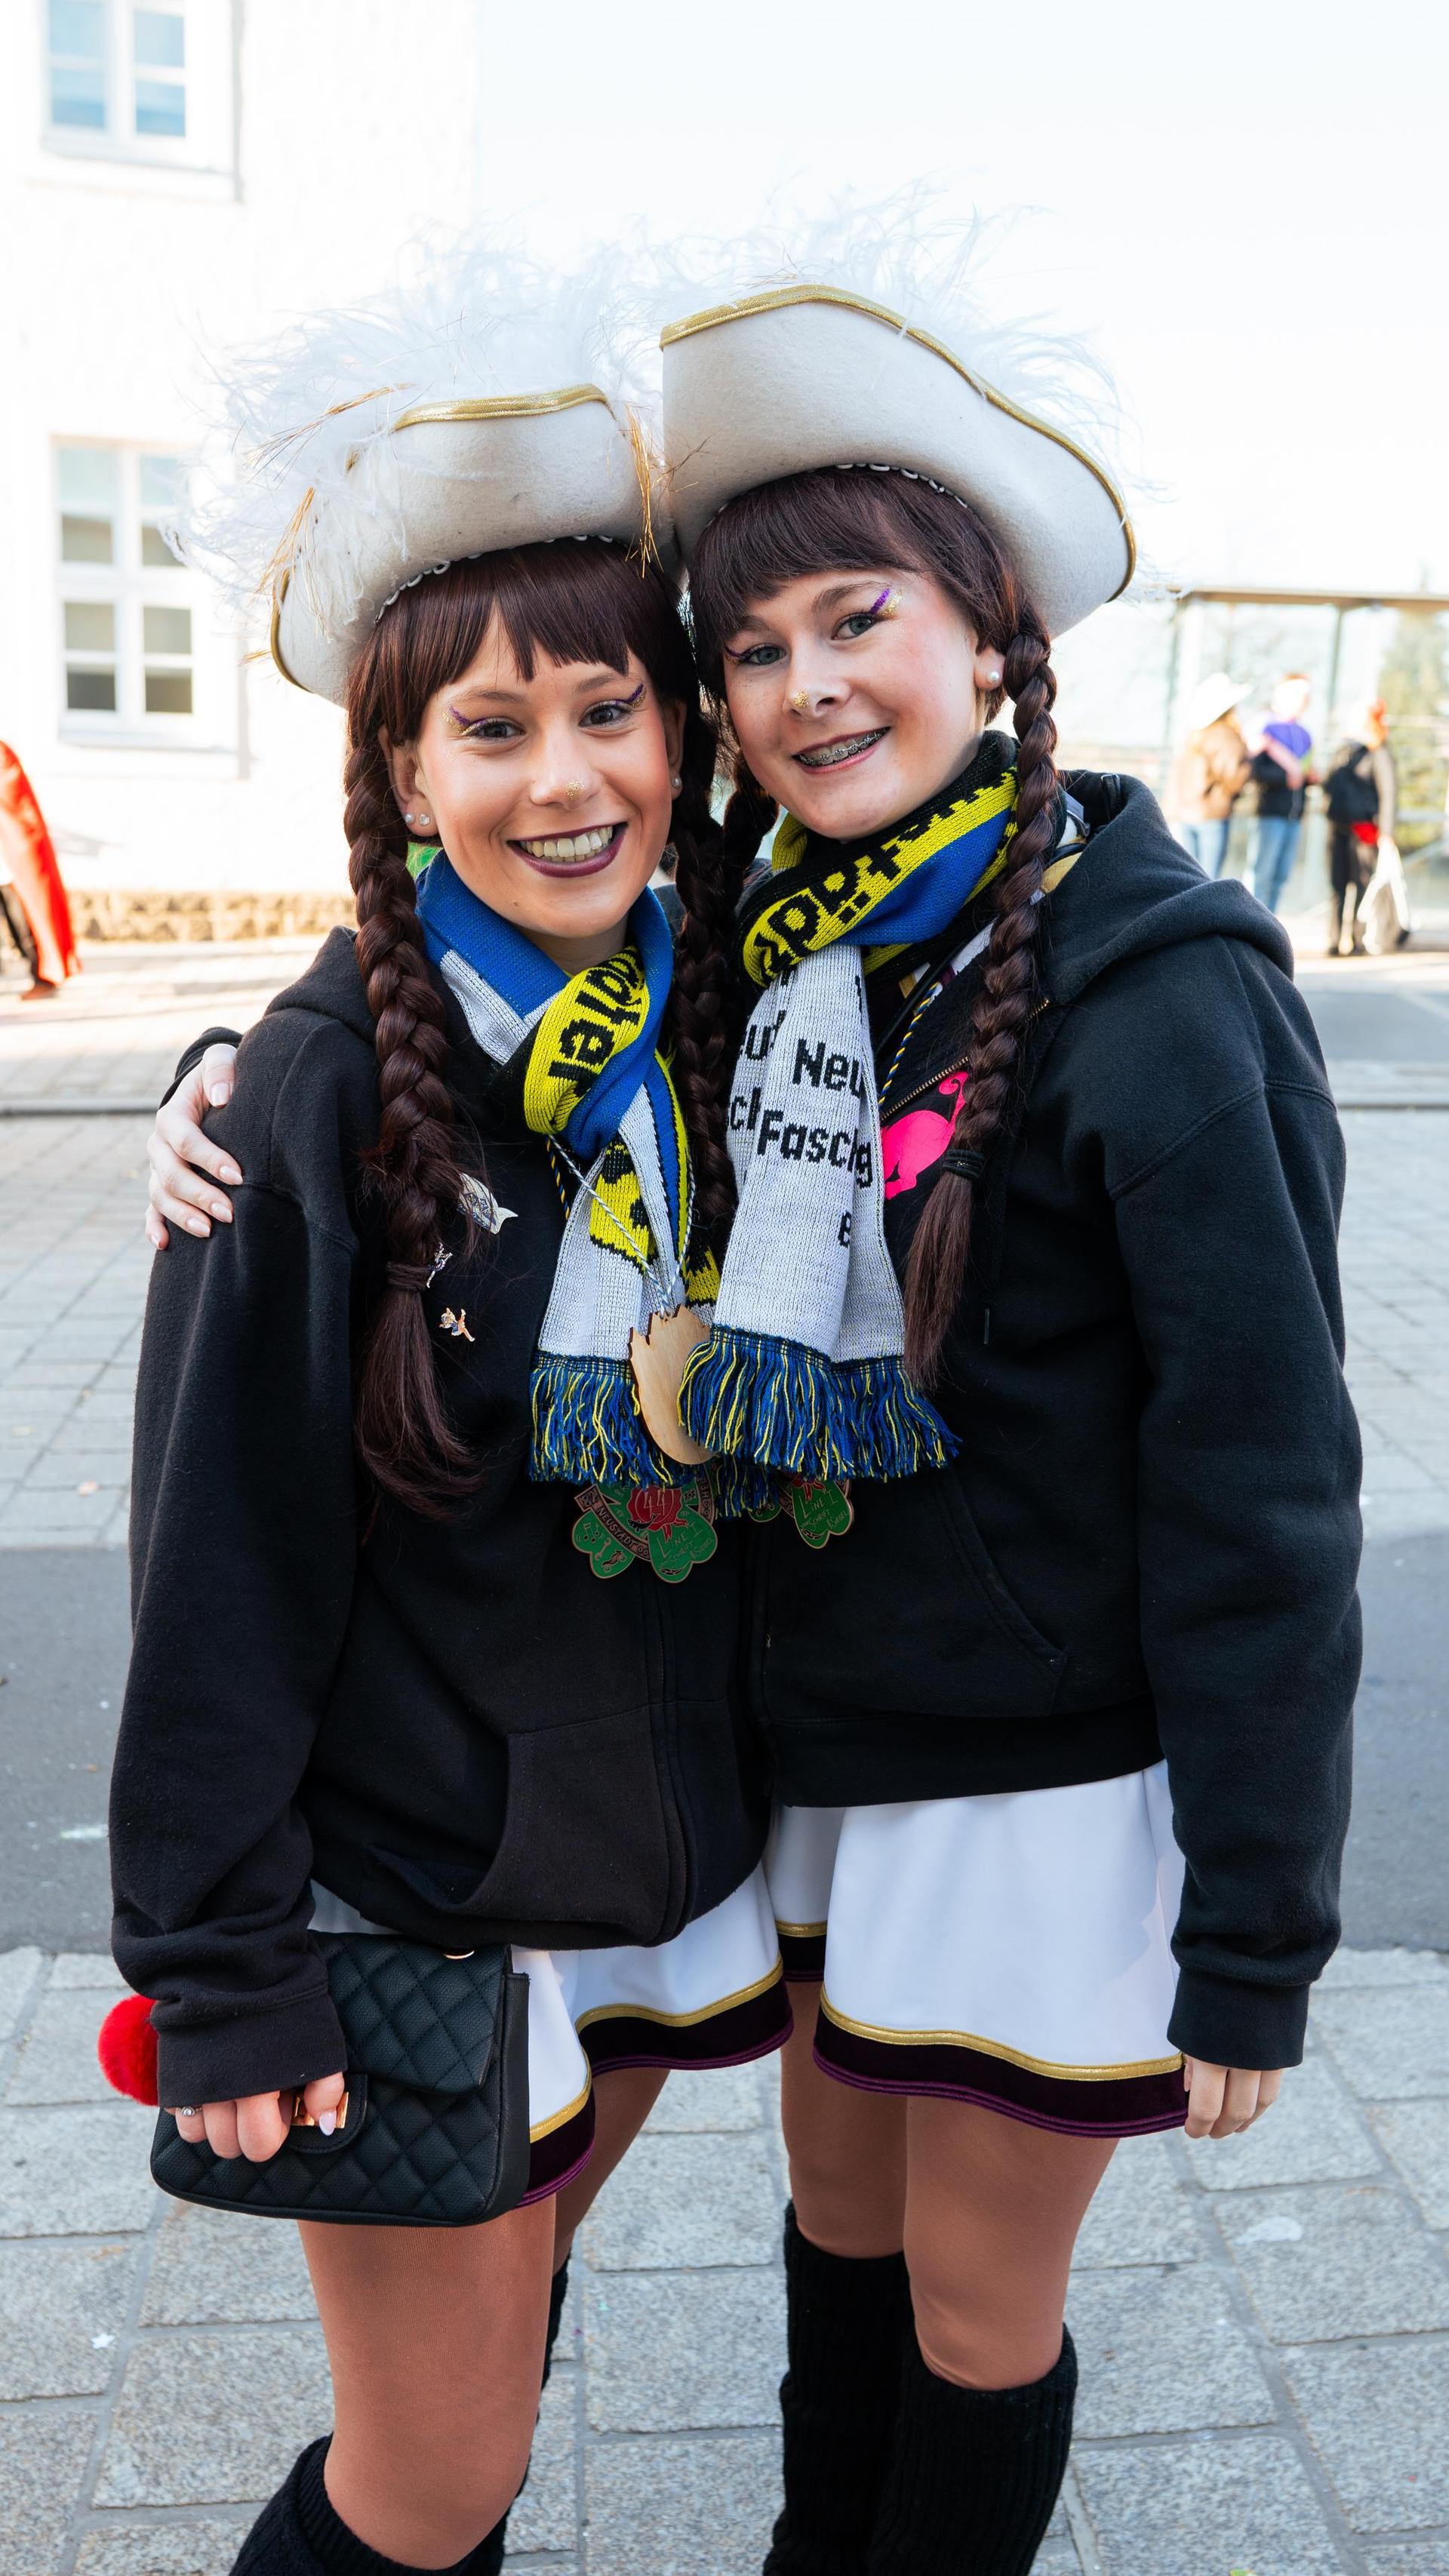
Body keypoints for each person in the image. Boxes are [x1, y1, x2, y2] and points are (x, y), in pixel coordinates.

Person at [146, 218, 1361, 2576]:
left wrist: (1258, 1926)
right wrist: (240, 1075)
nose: (802, 691)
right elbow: (447, 962)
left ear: (994, 635)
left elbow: (1266, 1490)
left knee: (972, 2319)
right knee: (823, 2260)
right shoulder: (751, 949)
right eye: (755, 648)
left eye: (858, 624)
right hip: (782, 1797)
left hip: (1034, 1799)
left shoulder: (1152, 983)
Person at [108, 258, 792, 2576]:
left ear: (677, 740)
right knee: (435, 2480)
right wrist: (220, 1973)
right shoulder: (312, 1097)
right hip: (414, 1912)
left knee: (492, 2396)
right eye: (487, 734)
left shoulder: (715, 1034)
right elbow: (210, 1571)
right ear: (399, 778)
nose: (563, 778)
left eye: (605, 713)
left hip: (632, 1885)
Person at [0, 740, 79, 997]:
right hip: (7, 848)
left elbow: (10, 796)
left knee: (25, 917)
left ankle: (44, 978)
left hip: (14, 847)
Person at [1324, 697, 1399, 955]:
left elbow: (1388, 793)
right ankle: (1335, 939)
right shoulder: (1344, 752)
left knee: (1362, 885)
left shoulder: (1378, 753)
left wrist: (1387, 834)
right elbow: (1329, 784)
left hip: (1364, 832)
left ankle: (1357, 939)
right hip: (1338, 829)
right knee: (1338, 886)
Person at [1166, 671, 1252, 876]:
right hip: (1213, 815)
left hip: (1186, 813)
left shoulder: (1193, 738)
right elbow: (1234, 778)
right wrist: (1250, 763)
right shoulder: (1228, 736)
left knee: (1187, 875)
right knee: (1208, 878)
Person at [1247, 672, 1314, 912]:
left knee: (1280, 877)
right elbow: (1254, 770)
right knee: (1261, 875)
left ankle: (1269, 926)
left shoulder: (1304, 734)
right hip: (1270, 813)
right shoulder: (1265, 727)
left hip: (1294, 816)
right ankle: (1250, 925)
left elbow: (1305, 772)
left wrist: (1307, 778)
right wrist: (1286, 778)